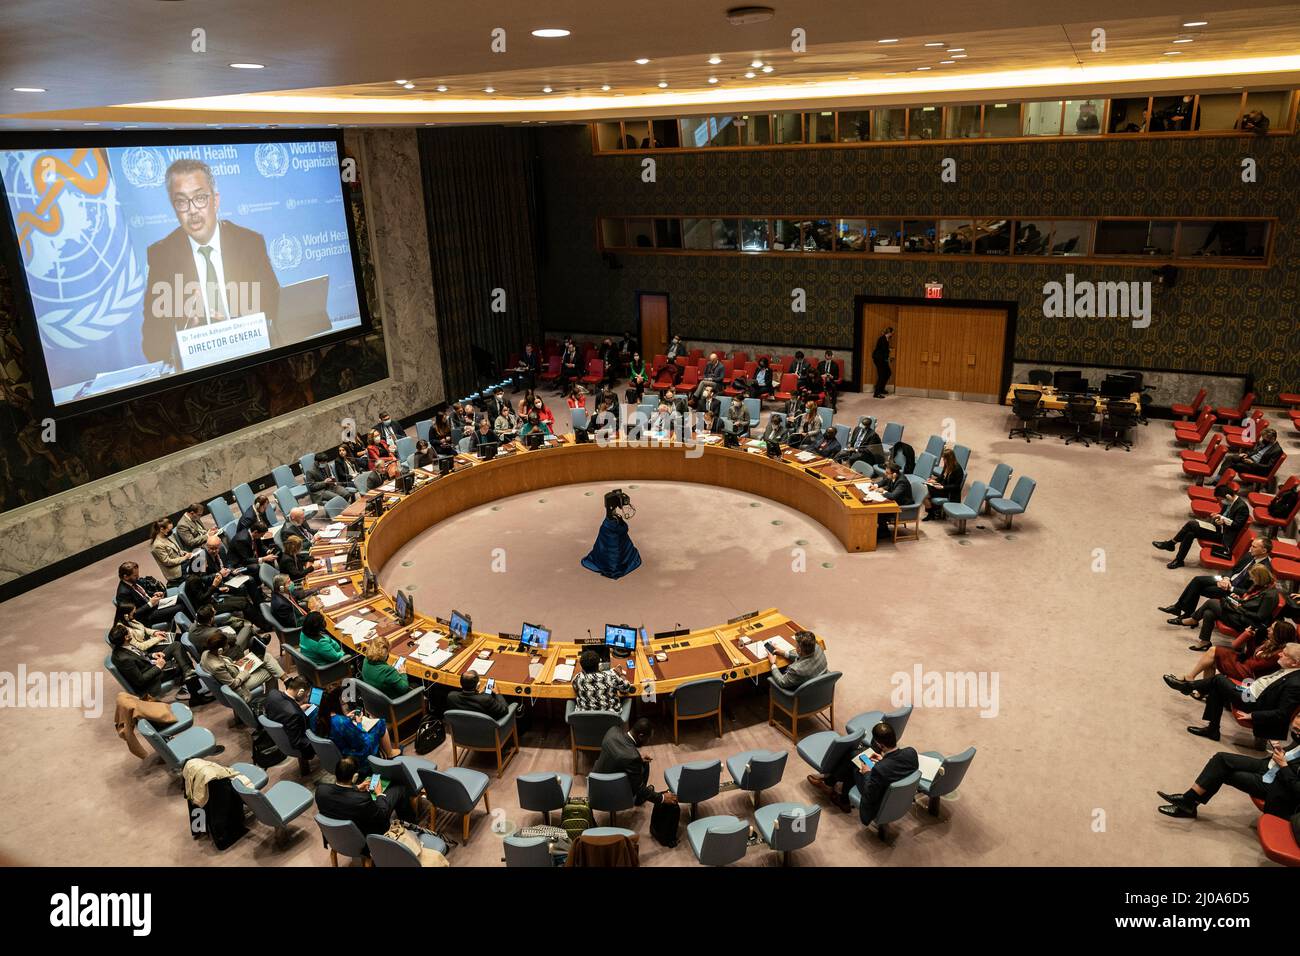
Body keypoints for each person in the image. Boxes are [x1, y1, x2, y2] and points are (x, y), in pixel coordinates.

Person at [141, 158, 280, 366]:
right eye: (181, 202)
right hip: (199, 368)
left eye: (200, 198)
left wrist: (235, 329)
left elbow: (274, 309)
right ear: (174, 207)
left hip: (250, 359)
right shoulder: (162, 255)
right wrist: (185, 337)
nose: (192, 210)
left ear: (215, 201)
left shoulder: (250, 243)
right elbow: (152, 344)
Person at [1156, 710, 1300, 819]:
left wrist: (1284, 765)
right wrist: (1281, 751)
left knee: (1224, 773)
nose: (1295, 730)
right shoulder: (1297, 732)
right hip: (1269, 766)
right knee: (1221, 759)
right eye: (1298, 717)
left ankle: (1188, 803)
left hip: (1278, 786)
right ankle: (1188, 802)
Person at [1179, 643, 1300, 741]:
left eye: (1284, 654)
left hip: (1252, 703)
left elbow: (1282, 714)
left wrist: (1252, 715)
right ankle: (1212, 729)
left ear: (1295, 663)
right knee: (1218, 685)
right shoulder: (1290, 670)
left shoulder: (1295, 683)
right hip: (1251, 689)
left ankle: (1188, 686)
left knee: (1219, 680)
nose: (1279, 654)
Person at [810, 721, 919, 820]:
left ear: (879, 744)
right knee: (856, 756)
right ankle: (833, 785)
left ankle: (837, 791)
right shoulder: (911, 752)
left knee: (854, 761)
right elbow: (897, 766)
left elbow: (869, 794)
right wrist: (883, 759)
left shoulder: (879, 769)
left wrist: (867, 772)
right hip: (897, 791)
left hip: (880, 794)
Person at [1158, 537, 1273, 621]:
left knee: (1198, 589)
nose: (1250, 548)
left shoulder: (1263, 570)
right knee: (1198, 580)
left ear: (1264, 551)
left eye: (1254, 546)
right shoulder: (1249, 555)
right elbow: (1233, 569)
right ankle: (1179, 608)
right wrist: (1226, 578)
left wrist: (1230, 586)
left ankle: (1186, 614)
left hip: (1233, 591)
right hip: (1225, 580)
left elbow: (1250, 592)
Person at [111, 604, 207, 701]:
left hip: (150, 663)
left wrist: (152, 655)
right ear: (125, 638)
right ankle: (196, 696)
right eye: (128, 634)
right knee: (182, 663)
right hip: (153, 678)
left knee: (176, 646)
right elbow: (140, 680)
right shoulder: (124, 659)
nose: (130, 634)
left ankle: (188, 676)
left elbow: (139, 654)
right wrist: (158, 667)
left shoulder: (125, 645)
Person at [1177, 564, 1281, 653]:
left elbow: (1260, 616)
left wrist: (1240, 608)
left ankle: (1193, 619)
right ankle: (1205, 642)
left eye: (1253, 577)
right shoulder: (1260, 586)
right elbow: (1250, 600)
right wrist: (1240, 599)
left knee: (1211, 602)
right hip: (1241, 612)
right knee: (1209, 613)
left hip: (1246, 622)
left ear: (1260, 577)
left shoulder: (1270, 595)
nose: (1251, 579)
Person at [1167, 620, 1295, 687]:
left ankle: (1192, 680)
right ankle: (1201, 689)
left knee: (1214, 653)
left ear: (1279, 634)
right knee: (1212, 657)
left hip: (1249, 675)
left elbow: (1254, 666)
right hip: (1245, 666)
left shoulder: (1278, 653)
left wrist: (1238, 658)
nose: (1268, 629)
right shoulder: (1269, 642)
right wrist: (1249, 639)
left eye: (1271, 629)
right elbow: (1252, 654)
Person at [1153, 483, 1249, 569]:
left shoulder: (1242, 507)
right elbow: (1223, 514)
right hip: (1218, 528)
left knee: (1191, 524)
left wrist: (1223, 519)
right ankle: (1179, 560)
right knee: (1190, 533)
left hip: (1224, 536)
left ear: (1228, 496)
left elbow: (1237, 525)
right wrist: (1218, 517)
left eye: (1220, 499)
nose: (1220, 502)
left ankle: (1171, 544)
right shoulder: (1229, 502)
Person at [314, 756, 414, 836]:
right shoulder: (362, 799)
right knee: (400, 788)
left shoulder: (321, 790)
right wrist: (379, 794)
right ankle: (410, 825)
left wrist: (356, 788)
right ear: (355, 776)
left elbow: (340, 796)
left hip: (337, 837)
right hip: (367, 837)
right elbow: (382, 815)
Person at [592, 718, 677, 807]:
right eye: (648, 739)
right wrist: (662, 798)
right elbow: (639, 788)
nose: (647, 742)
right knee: (645, 765)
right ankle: (639, 798)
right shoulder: (632, 757)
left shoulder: (612, 731)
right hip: (612, 791)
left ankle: (639, 797)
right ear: (640, 736)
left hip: (596, 783)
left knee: (643, 761)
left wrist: (638, 759)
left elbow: (617, 755)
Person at [314, 684, 397, 769]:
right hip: (356, 757)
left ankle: (384, 753)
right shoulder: (342, 722)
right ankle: (390, 754)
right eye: (342, 701)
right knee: (380, 723)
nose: (344, 703)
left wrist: (346, 718)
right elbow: (362, 742)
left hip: (341, 752)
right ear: (336, 702)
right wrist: (359, 723)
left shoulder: (320, 717)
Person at [200, 629, 285, 705]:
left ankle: (286, 681)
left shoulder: (206, 653)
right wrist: (246, 671)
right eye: (226, 645)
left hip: (235, 670)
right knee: (270, 671)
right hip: (239, 686)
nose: (228, 646)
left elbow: (225, 665)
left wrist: (236, 663)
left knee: (265, 657)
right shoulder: (217, 667)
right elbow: (233, 685)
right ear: (220, 650)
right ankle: (273, 701)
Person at [581, 489, 642, 579]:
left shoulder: (613, 522)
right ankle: (613, 567)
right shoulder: (611, 524)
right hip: (611, 529)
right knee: (613, 545)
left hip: (611, 527)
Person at [263, 677, 316, 764]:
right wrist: (318, 741)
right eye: (306, 695)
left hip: (278, 736)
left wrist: (298, 709)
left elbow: (283, 711)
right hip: (295, 744)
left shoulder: (272, 694)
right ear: (300, 692)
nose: (306, 697)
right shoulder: (294, 714)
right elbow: (298, 742)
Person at [115, 561, 184, 627]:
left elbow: (143, 594)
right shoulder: (123, 594)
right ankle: (188, 630)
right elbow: (133, 615)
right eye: (135, 575)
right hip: (147, 616)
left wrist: (154, 594)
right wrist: (150, 604)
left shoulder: (133, 581)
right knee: (180, 607)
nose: (138, 577)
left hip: (154, 605)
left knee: (182, 598)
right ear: (126, 577)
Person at [1210, 428, 1282, 485]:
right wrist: (1247, 454)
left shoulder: (1277, 450)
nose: (1263, 440)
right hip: (1250, 459)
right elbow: (1255, 451)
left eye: (1265, 438)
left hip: (1257, 468)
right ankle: (1217, 480)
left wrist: (1252, 463)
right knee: (1230, 458)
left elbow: (1268, 467)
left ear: (1272, 439)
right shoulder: (1265, 442)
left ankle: (1221, 484)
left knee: (1233, 465)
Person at [361, 635, 411, 701]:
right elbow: (404, 688)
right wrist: (403, 673)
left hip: (373, 700)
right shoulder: (388, 670)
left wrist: (389, 668)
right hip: (392, 703)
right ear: (386, 654)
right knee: (415, 685)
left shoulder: (366, 660)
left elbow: (379, 671)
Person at [445, 671, 510, 719]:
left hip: (463, 727)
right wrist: (497, 693)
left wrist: (479, 693)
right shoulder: (486, 699)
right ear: (478, 685)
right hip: (486, 728)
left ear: (461, 684)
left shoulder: (451, 696)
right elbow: (504, 710)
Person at [149, 517, 194, 585]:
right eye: (169, 529)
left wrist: (182, 552)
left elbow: (175, 549)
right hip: (175, 570)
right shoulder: (157, 545)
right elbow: (167, 562)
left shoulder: (167, 536)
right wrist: (185, 558)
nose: (171, 531)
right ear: (162, 529)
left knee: (199, 560)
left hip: (180, 563)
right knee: (198, 565)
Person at [923, 447, 964, 520]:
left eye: (944, 459)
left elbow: (956, 486)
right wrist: (934, 481)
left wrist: (943, 487)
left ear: (949, 459)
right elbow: (941, 477)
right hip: (942, 488)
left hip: (950, 493)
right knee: (924, 488)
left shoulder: (958, 469)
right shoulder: (947, 465)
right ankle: (932, 512)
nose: (943, 460)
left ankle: (931, 513)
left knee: (925, 493)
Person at [872, 327, 894, 398]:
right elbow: (883, 351)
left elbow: (884, 349)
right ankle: (876, 393)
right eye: (892, 333)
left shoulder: (886, 339)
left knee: (888, 373)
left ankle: (881, 389)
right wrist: (888, 352)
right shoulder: (882, 339)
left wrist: (888, 350)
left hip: (882, 359)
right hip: (879, 359)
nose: (892, 334)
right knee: (881, 375)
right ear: (889, 332)